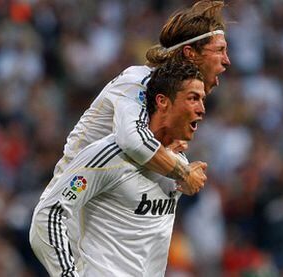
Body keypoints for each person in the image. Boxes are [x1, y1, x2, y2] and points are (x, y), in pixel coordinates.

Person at [30, 61, 207, 276]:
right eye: (193, 98)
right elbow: (48, 214)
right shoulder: (109, 156)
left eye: (202, 100)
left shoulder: (179, 164)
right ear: (162, 102)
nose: (201, 109)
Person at [49, 0, 230, 197]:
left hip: (110, 206)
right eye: (220, 50)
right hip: (71, 203)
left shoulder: (177, 99)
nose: (227, 60)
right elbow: (133, 142)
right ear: (190, 54)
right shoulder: (138, 82)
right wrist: (183, 173)